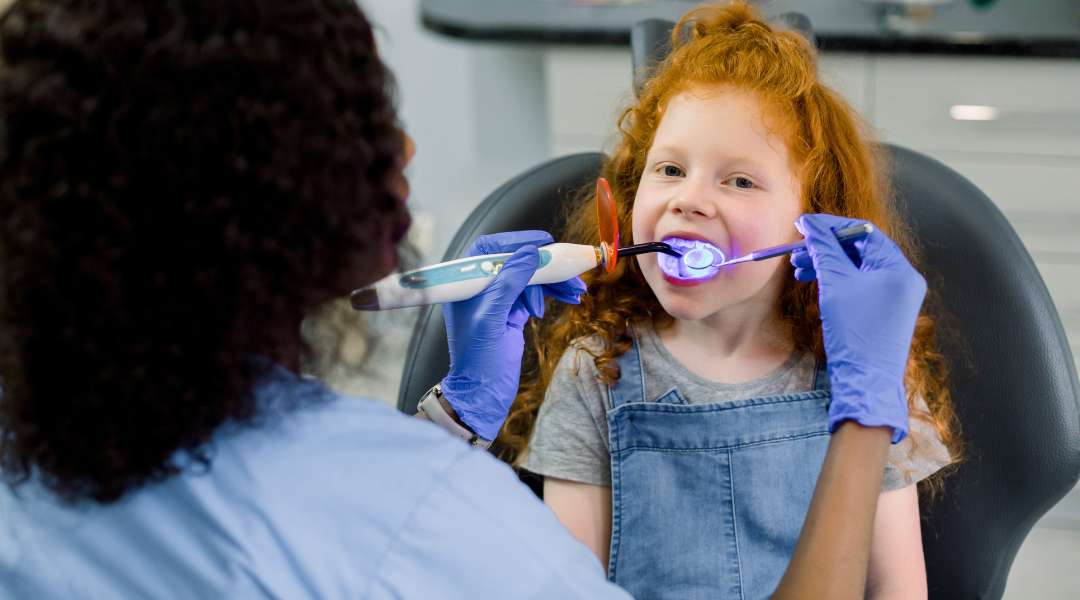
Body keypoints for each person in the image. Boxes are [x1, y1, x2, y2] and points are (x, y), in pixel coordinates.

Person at [0, 1, 928, 598]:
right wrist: (863, 421)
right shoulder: (567, 401)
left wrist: (453, 421)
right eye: (372, 131)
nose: (406, 159)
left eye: (739, 181)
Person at [500, 3, 960, 599]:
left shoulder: (867, 373)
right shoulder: (596, 374)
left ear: (813, 224)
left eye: (739, 180)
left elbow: (897, 590)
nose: (688, 199)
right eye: (669, 169)